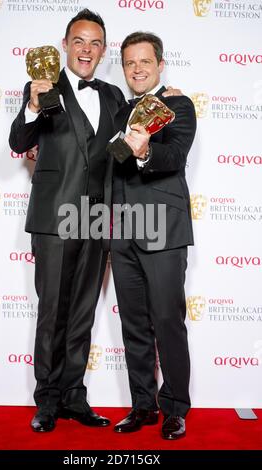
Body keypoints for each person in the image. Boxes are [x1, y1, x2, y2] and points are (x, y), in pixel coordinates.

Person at [9, 9, 126, 433]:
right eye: (80, 40)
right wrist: (33, 106)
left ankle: (75, 395)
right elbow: (19, 141)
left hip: (97, 220)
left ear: (103, 50)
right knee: (52, 310)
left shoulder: (113, 94)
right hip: (54, 216)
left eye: (95, 43)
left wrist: (166, 103)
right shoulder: (42, 87)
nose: (87, 49)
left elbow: (123, 148)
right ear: (64, 44)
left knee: (82, 312)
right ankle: (47, 399)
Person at [110, 32, 196, 440]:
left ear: (161, 64)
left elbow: (176, 155)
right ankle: (143, 405)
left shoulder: (178, 105)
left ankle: (175, 408)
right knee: (133, 325)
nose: (138, 69)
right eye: (130, 63)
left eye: (145, 61)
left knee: (167, 321)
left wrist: (145, 150)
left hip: (163, 230)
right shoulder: (117, 110)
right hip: (121, 231)